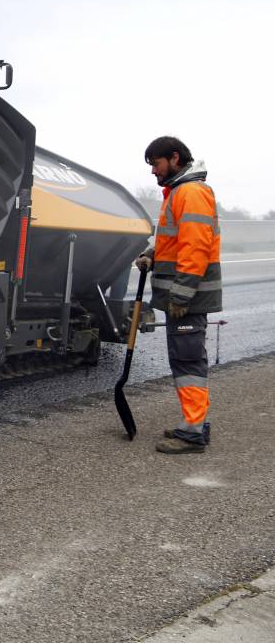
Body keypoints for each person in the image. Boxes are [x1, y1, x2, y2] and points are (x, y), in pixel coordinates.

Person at [135, 136, 222, 454]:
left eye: (156, 164)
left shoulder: (191, 193)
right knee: (188, 359)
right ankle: (194, 423)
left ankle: (193, 433)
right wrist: (152, 254)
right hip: (183, 296)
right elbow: (175, 241)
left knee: (187, 362)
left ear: (174, 158)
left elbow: (195, 248)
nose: (153, 172)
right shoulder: (180, 192)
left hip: (187, 298)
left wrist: (182, 296)